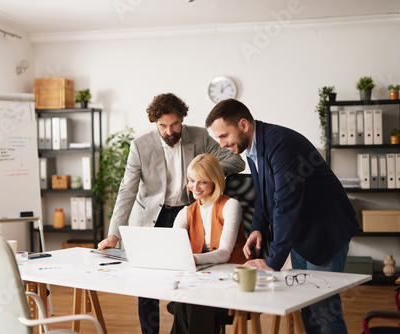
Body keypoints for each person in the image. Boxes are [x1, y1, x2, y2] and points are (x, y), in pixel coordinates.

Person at [205, 99, 358, 334]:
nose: (223, 144)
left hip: (325, 230)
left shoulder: (280, 144)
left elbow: (286, 203)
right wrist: (257, 227)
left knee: (323, 309)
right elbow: (265, 196)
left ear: (243, 124)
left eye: (224, 136)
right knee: (306, 305)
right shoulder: (252, 148)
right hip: (301, 233)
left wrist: (272, 261)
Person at [97, 93, 245, 334]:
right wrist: (114, 234)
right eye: (163, 126)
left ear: (182, 119)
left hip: (187, 214)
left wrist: (206, 174)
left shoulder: (198, 136)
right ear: (155, 123)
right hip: (150, 218)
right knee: (147, 284)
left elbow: (237, 161)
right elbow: (127, 191)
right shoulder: (140, 145)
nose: (169, 131)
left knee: (189, 275)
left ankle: (186, 327)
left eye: (174, 124)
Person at [171, 153, 246, 334]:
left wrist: (193, 259)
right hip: (202, 275)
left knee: (198, 300)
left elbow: (224, 253)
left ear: (214, 181)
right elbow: (173, 247)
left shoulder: (230, 205)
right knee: (181, 300)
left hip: (231, 274)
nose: (195, 187)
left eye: (202, 182)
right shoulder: (186, 212)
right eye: (191, 180)